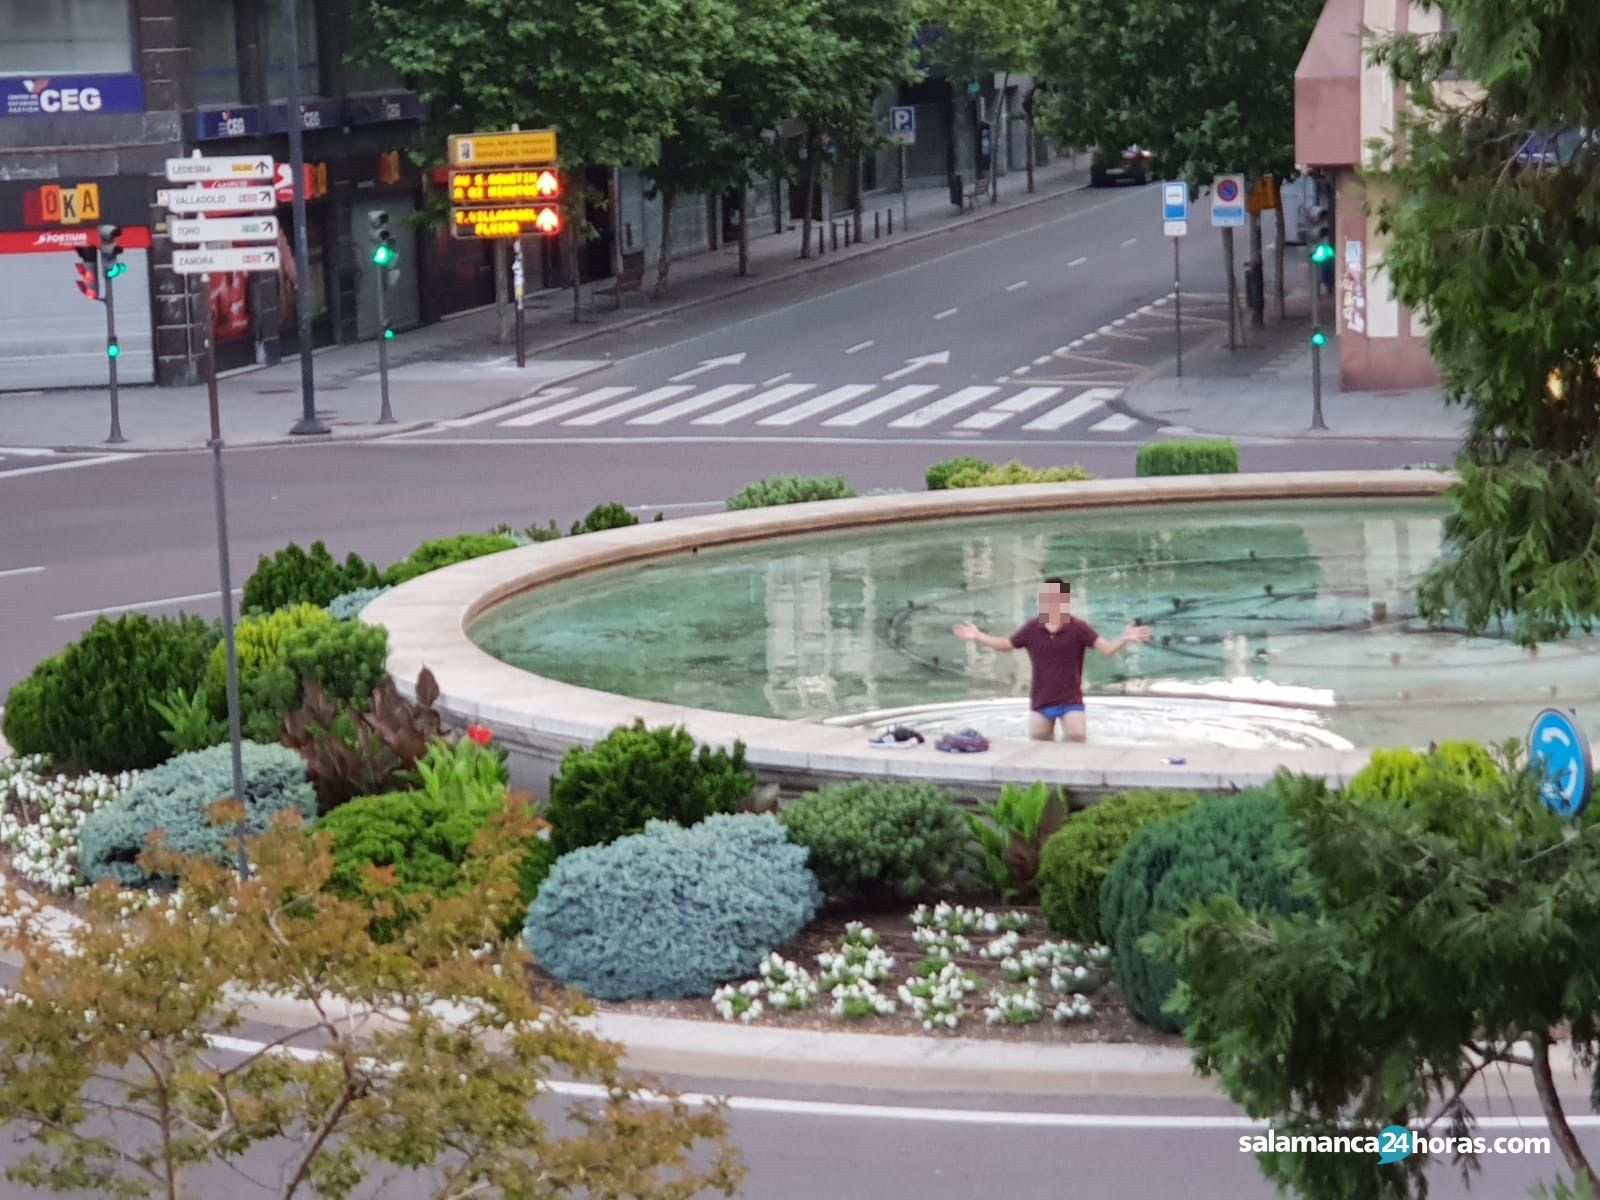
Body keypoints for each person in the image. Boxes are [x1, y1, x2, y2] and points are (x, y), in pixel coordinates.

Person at [951, 576, 1150, 743]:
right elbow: (1006, 644)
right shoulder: (1032, 628)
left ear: (1065, 601)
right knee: (1038, 744)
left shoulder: (1078, 628)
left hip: (1070, 699)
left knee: (1077, 739)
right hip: (1042, 700)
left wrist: (1124, 639)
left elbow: (1106, 649)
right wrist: (978, 636)